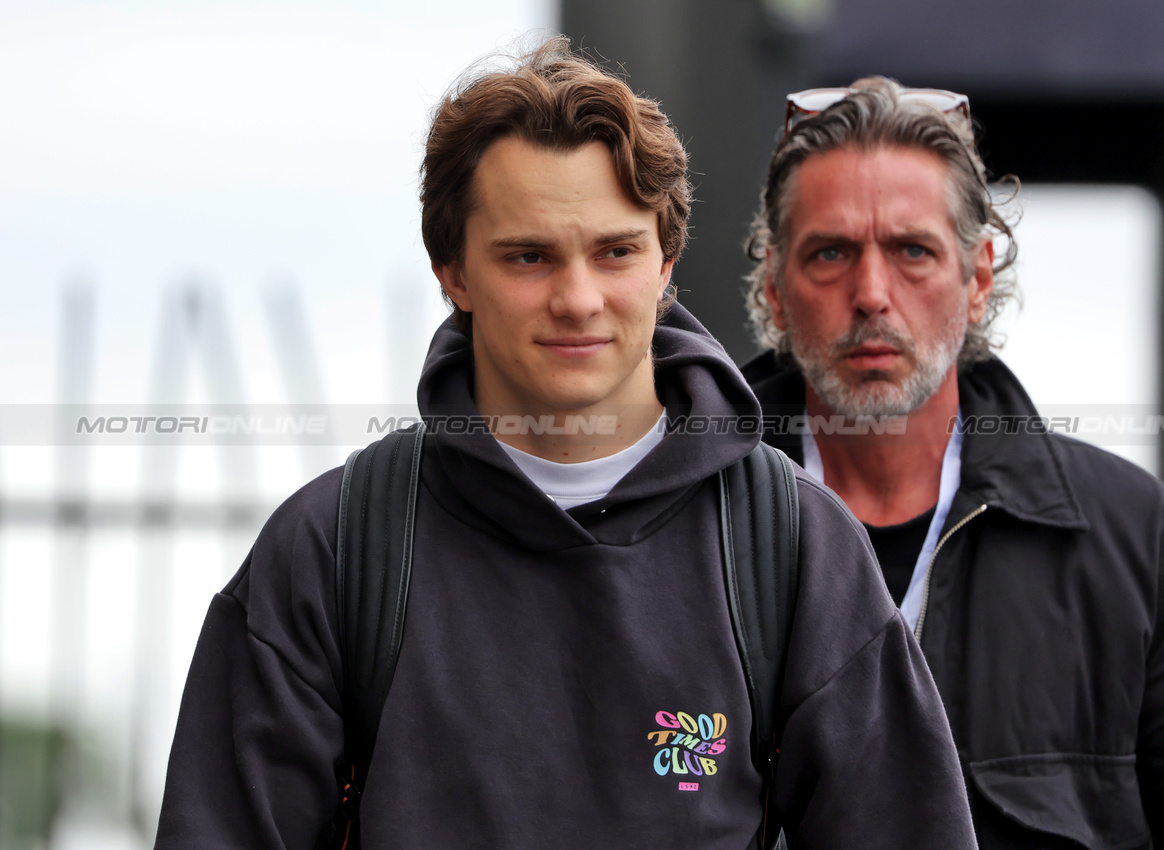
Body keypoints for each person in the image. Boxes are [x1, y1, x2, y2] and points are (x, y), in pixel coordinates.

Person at [153, 43, 977, 849]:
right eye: (529, 256)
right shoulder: (331, 550)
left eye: (615, 252)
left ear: (665, 263)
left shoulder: (795, 548)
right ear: (453, 272)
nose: (577, 299)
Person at [743, 77, 1164, 848]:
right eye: (830, 253)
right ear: (774, 287)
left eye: (912, 251)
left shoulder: (1148, 553)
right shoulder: (679, 533)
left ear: (978, 279)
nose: (871, 293)